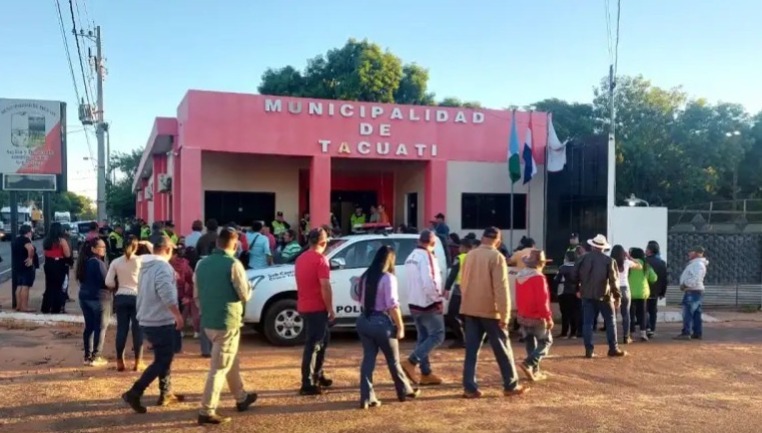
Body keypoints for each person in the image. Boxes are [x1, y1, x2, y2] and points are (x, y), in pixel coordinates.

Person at [194, 227, 257, 425]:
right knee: (219, 368)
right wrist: (251, 289)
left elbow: (197, 295)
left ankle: (241, 397)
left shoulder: (201, 264)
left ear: (217, 242)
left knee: (230, 361)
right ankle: (207, 410)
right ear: (235, 244)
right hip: (227, 321)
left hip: (209, 321)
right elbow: (244, 295)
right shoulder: (234, 264)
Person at [459, 227, 528, 398]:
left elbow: (463, 283)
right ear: (498, 241)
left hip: (470, 308)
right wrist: (505, 315)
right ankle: (510, 385)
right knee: (503, 349)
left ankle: (469, 387)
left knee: (471, 351)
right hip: (490, 310)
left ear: (482, 238)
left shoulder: (470, 255)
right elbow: (501, 288)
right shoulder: (496, 257)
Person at [122, 235, 185, 414]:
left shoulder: (145, 265)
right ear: (167, 250)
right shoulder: (163, 267)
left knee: (164, 357)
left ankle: (166, 393)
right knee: (163, 359)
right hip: (160, 320)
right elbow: (166, 293)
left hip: (147, 317)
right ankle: (135, 392)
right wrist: (178, 315)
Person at [351, 245, 419, 409]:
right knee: (393, 360)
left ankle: (367, 397)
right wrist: (400, 326)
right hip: (381, 323)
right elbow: (392, 305)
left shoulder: (366, 275)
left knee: (368, 359)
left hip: (364, 320)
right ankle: (403, 390)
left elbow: (356, 296)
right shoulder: (388, 278)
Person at [400, 230, 445, 386]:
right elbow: (429, 282)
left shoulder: (411, 257)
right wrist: (437, 299)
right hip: (428, 303)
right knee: (438, 335)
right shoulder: (427, 257)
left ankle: (426, 373)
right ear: (432, 243)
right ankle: (412, 361)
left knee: (424, 337)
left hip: (414, 302)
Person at [295, 228, 335, 395]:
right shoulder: (321, 260)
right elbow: (325, 286)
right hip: (316, 307)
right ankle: (307, 382)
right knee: (314, 344)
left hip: (305, 305)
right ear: (323, 242)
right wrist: (330, 308)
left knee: (322, 341)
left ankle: (317, 374)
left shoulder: (300, 258)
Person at [573, 234, 626, 359]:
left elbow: (573, 274)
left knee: (588, 323)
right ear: (603, 248)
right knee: (610, 321)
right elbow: (614, 281)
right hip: (604, 295)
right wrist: (617, 296)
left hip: (587, 294)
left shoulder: (582, 259)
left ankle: (589, 350)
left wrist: (577, 288)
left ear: (592, 246)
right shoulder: (609, 261)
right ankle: (613, 348)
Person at [106, 235, 146, 372]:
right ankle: (138, 362)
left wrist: (118, 286)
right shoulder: (141, 261)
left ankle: (119, 361)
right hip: (137, 297)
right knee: (137, 330)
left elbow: (108, 282)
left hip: (121, 297)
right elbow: (158, 258)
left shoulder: (116, 262)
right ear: (136, 247)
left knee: (121, 330)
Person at [516, 250, 553, 382]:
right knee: (545, 342)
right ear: (540, 263)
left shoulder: (519, 275)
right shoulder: (538, 277)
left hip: (523, 315)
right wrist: (548, 317)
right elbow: (542, 300)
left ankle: (534, 371)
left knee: (530, 343)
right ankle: (528, 363)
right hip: (536, 316)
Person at [76, 238, 112, 367]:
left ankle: (87, 356)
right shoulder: (98, 263)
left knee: (89, 327)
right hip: (99, 298)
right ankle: (96, 356)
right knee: (100, 327)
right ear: (93, 249)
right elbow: (107, 281)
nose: (104, 250)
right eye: (101, 247)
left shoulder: (83, 262)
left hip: (84, 297)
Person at [444, 238, 474, 349]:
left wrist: (446, 288)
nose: (459, 249)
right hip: (471, 290)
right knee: (466, 316)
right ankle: (470, 339)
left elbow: (453, 274)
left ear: (465, 247)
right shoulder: (474, 258)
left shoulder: (460, 258)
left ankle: (461, 339)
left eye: (460, 247)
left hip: (459, 290)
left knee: (452, 315)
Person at [610, 245, 642, 344]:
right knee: (626, 314)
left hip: (613, 289)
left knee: (613, 314)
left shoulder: (610, 262)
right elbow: (640, 266)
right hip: (625, 289)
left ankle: (613, 337)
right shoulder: (627, 262)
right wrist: (629, 257)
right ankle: (626, 337)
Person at [675, 246, 708, 340]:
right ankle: (697, 332)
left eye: (691, 252)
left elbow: (695, 278)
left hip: (693, 290)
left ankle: (686, 332)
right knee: (696, 313)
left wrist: (685, 285)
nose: (689, 254)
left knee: (688, 312)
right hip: (695, 291)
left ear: (696, 253)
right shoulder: (697, 264)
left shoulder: (697, 265)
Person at [628, 247, 658, 342]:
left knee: (631, 314)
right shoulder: (646, 265)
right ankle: (643, 333)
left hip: (631, 292)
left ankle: (631, 333)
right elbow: (654, 278)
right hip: (643, 292)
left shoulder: (630, 264)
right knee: (643, 314)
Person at [41, 222, 71, 314]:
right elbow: (67, 254)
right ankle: (55, 308)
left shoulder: (46, 240)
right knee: (58, 287)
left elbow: (44, 253)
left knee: (49, 286)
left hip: (48, 264)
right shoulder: (61, 241)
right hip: (59, 264)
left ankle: (45, 307)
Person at [170, 242, 195, 352]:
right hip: (179, 296)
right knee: (177, 321)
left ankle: (165, 345)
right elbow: (192, 281)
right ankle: (176, 346)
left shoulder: (166, 264)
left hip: (166, 296)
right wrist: (188, 295)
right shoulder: (186, 265)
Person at [12, 225, 39, 312]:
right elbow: (30, 249)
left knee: (19, 286)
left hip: (17, 266)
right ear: (28, 232)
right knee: (25, 286)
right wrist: (30, 258)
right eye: (31, 231)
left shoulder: (16, 240)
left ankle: (18, 305)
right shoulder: (26, 240)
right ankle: (24, 306)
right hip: (26, 265)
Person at [554, 250, 580, 339]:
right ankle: (573, 333)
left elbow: (557, 280)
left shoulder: (562, 268)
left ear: (567, 258)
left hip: (563, 292)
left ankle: (564, 333)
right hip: (576, 292)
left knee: (565, 313)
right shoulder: (578, 267)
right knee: (575, 313)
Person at [645, 241, 668, 338]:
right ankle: (652, 329)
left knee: (644, 310)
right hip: (656, 291)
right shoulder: (662, 263)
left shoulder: (644, 261)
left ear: (649, 251)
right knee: (653, 310)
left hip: (645, 290)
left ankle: (647, 327)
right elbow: (664, 279)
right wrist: (663, 292)